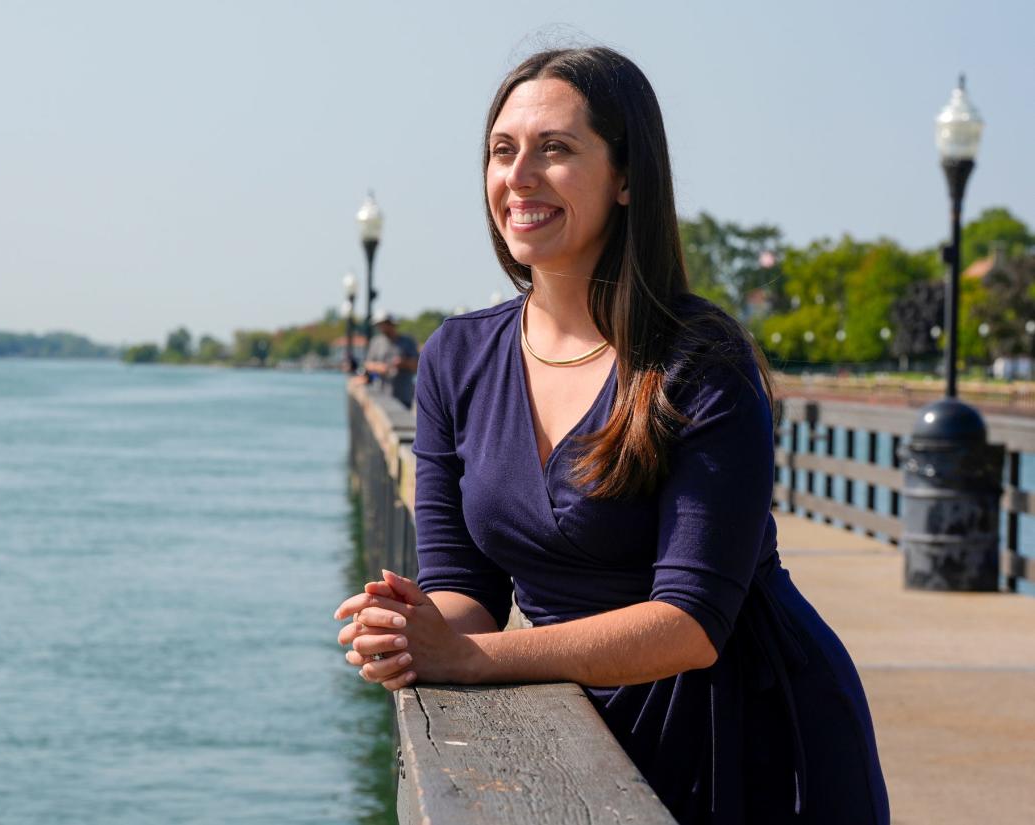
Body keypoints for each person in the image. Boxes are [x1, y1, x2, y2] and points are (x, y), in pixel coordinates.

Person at [333, 46, 889, 824]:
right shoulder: (455, 357)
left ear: (627, 177)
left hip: (747, 737)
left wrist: (468, 657)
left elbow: (689, 623)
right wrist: (411, 629)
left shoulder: (701, 360)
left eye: (555, 148)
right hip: (587, 717)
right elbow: (468, 590)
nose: (519, 174)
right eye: (502, 150)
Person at [361, 310, 419, 408]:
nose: (381, 327)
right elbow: (367, 364)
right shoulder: (376, 342)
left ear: (391, 324)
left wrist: (403, 363)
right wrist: (379, 367)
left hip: (404, 396)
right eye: (379, 324)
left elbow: (418, 366)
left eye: (383, 324)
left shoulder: (408, 342)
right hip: (381, 395)